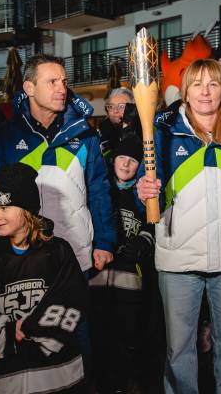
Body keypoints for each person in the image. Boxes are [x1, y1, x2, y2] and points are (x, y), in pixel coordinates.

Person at [137, 59, 221, 393]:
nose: (205, 91)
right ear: (185, 91)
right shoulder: (163, 134)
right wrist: (141, 190)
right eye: (197, 83)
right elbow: (145, 187)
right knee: (179, 349)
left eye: (213, 83)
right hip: (178, 260)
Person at [0, 54, 116, 274]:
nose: (61, 89)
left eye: (64, 82)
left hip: (75, 253)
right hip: (20, 257)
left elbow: (98, 190)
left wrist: (105, 242)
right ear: (29, 87)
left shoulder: (85, 135)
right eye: (52, 82)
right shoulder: (2, 137)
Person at [0, 163, 88, 393]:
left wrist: (32, 327)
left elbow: (73, 297)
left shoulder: (57, 252)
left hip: (56, 377)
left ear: (27, 210)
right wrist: (8, 331)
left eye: (4, 209)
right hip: (2, 380)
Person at [90, 132, 156, 393]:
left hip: (131, 279)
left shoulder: (144, 195)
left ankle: (126, 379)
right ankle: (105, 381)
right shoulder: (102, 191)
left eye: (132, 160)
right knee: (101, 330)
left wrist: (142, 243)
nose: (126, 164)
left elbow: (152, 225)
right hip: (100, 276)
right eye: (121, 157)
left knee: (130, 332)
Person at [98, 87, 135, 157]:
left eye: (121, 106)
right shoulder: (100, 136)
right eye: (111, 106)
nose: (115, 111)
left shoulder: (144, 132)